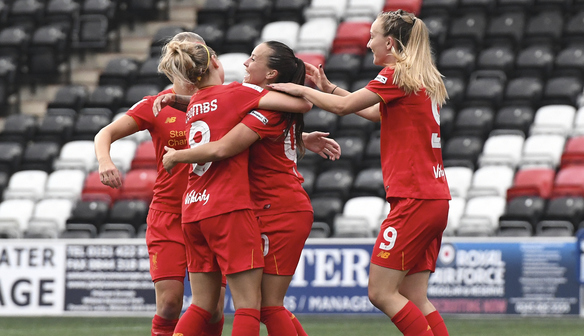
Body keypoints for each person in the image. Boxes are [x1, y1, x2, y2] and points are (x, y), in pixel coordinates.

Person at [268, 9, 451, 336]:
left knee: (380, 293)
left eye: (373, 37)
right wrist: (330, 88)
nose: (368, 44)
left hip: (414, 198)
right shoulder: (417, 77)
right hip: (433, 197)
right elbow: (374, 112)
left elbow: (342, 109)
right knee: (413, 296)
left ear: (390, 43)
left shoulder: (396, 73)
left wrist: (300, 91)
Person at [161, 40, 341, 336]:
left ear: (271, 74)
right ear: (214, 62)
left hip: (274, 209)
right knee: (261, 306)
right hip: (244, 207)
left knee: (261, 306)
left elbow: (226, 143)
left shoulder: (245, 103)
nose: (245, 63)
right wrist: (299, 136)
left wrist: (176, 152)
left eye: (253, 59)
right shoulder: (245, 99)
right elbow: (235, 126)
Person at [94, 32, 225, 336]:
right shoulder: (156, 105)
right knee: (168, 305)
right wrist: (105, 162)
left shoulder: (224, 100)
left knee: (213, 309)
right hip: (169, 215)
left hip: (210, 211)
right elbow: (105, 134)